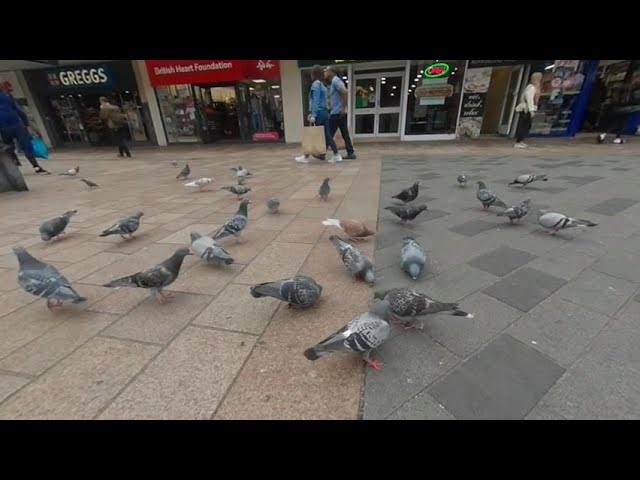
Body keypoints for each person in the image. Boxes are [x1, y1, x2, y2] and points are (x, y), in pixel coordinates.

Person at [0, 81, 49, 174]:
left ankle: (14, 163)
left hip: (3, 128)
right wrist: (26, 124)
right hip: (17, 125)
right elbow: (19, 111)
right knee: (26, 147)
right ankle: (36, 167)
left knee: (8, 147)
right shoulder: (8, 97)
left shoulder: (7, 97)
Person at [295, 65, 339, 164]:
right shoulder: (323, 86)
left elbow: (316, 101)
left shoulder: (315, 84)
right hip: (325, 113)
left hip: (318, 113)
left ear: (313, 74)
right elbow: (327, 101)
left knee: (311, 134)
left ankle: (306, 157)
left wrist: (313, 115)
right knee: (328, 135)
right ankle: (336, 154)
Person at [325, 66, 356, 161]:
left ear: (331, 72)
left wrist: (343, 108)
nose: (325, 72)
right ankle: (350, 153)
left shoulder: (335, 81)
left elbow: (345, 92)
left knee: (328, 133)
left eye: (326, 71)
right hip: (339, 112)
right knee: (345, 133)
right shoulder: (335, 81)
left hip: (337, 113)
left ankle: (322, 152)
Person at [513, 72, 542, 148]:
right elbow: (529, 99)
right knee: (524, 125)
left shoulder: (534, 87)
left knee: (527, 125)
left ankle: (521, 140)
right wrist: (531, 110)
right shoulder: (531, 87)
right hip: (526, 109)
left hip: (528, 108)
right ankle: (518, 141)